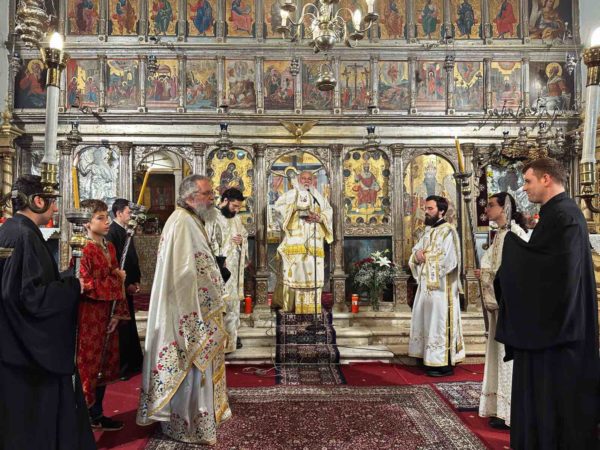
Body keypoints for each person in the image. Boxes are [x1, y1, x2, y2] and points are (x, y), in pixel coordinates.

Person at [495, 158, 600, 449]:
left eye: (528, 181)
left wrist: (512, 251)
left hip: (559, 330)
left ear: (546, 179)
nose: (524, 188)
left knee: (557, 400)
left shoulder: (564, 215)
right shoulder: (557, 213)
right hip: (552, 325)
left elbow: (558, 275)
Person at [0, 175, 96, 449]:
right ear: (37, 201)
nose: (55, 208)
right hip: (28, 355)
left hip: (10, 343)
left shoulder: (9, 230)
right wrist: (71, 288)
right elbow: (29, 298)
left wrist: (62, 279)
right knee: (33, 421)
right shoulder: (25, 236)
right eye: (52, 202)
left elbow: (17, 284)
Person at [137, 175, 231, 445]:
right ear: (191, 197)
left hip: (193, 305)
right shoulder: (182, 222)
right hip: (188, 309)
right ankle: (189, 424)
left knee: (196, 365)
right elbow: (187, 272)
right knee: (190, 362)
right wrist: (215, 286)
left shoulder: (189, 220)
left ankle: (195, 419)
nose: (212, 198)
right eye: (207, 193)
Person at [475, 193, 529, 430]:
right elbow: (493, 265)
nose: (486, 209)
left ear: (504, 207)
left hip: (511, 306)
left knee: (509, 358)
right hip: (499, 304)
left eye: (491, 205)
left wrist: (486, 274)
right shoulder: (499, 234)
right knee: (497, 354)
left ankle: (512, 410)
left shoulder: (516, 234)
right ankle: (499, 407)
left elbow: (517, 271)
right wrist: (485, 273)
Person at [78, 199, 129, 431]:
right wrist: (116, 279)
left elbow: (118, 281)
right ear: (86, 223)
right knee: (88, 366)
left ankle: (97, 413)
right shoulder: (83, 249)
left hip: (108, 315)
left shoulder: (109, 247)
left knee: (105, 365)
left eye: (107, 217)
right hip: (89, 316)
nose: (107, 221)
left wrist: (117, 314)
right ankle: (83, 414)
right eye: (100, 218)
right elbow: (85, 285)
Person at [408, 195, 465, 376]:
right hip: (426, 288)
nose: (426, 211)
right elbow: (416, 251)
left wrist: (426, 257)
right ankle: (427, 358)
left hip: (442, 289)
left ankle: (442, 364)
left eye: (430, 208)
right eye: (425, 208)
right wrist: (416, 255)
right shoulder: (428, 231)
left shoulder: (448, 231)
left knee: (439, 323)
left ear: (441, 211)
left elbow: (450, 260)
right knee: (427, 322)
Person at [272, 170, 333, 314]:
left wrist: (319, 218)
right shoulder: (291, 194)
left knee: (313, 273)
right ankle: (290, 307)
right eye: (303, 178)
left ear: (313, 181)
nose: (306, 181)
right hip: (296, 240)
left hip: (314, 242)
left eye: (309, 179)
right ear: (299, 180)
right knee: (295, 273)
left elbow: (328, 211)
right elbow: (277, 209)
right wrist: (293, 208)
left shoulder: (318, 197)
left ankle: (312, 308)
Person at [206, 188, 248, 353]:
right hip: (218, 268)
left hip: (234, 269)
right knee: (221, 304)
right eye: (234, 206)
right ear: (225, 201)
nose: (236, 210)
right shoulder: (212, 217)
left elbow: (243, 235)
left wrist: (242, 240)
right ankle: (219, 343)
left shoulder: (236, 219)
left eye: (239, 207)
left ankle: (231, 340)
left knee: (233, 304)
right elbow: (207, 241)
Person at [106, 198, 143, 379]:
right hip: (120, 285)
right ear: (119, 213)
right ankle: (123, 366)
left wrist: (135, 280)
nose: (131, 215)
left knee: (130, 323)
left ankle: (133, 362)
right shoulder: (113, 232)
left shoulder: (126, 230)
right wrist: (126, 284)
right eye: (129, 212)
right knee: (123, 325)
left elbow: (131, 257)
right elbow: (117, 261)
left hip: (127, 282)